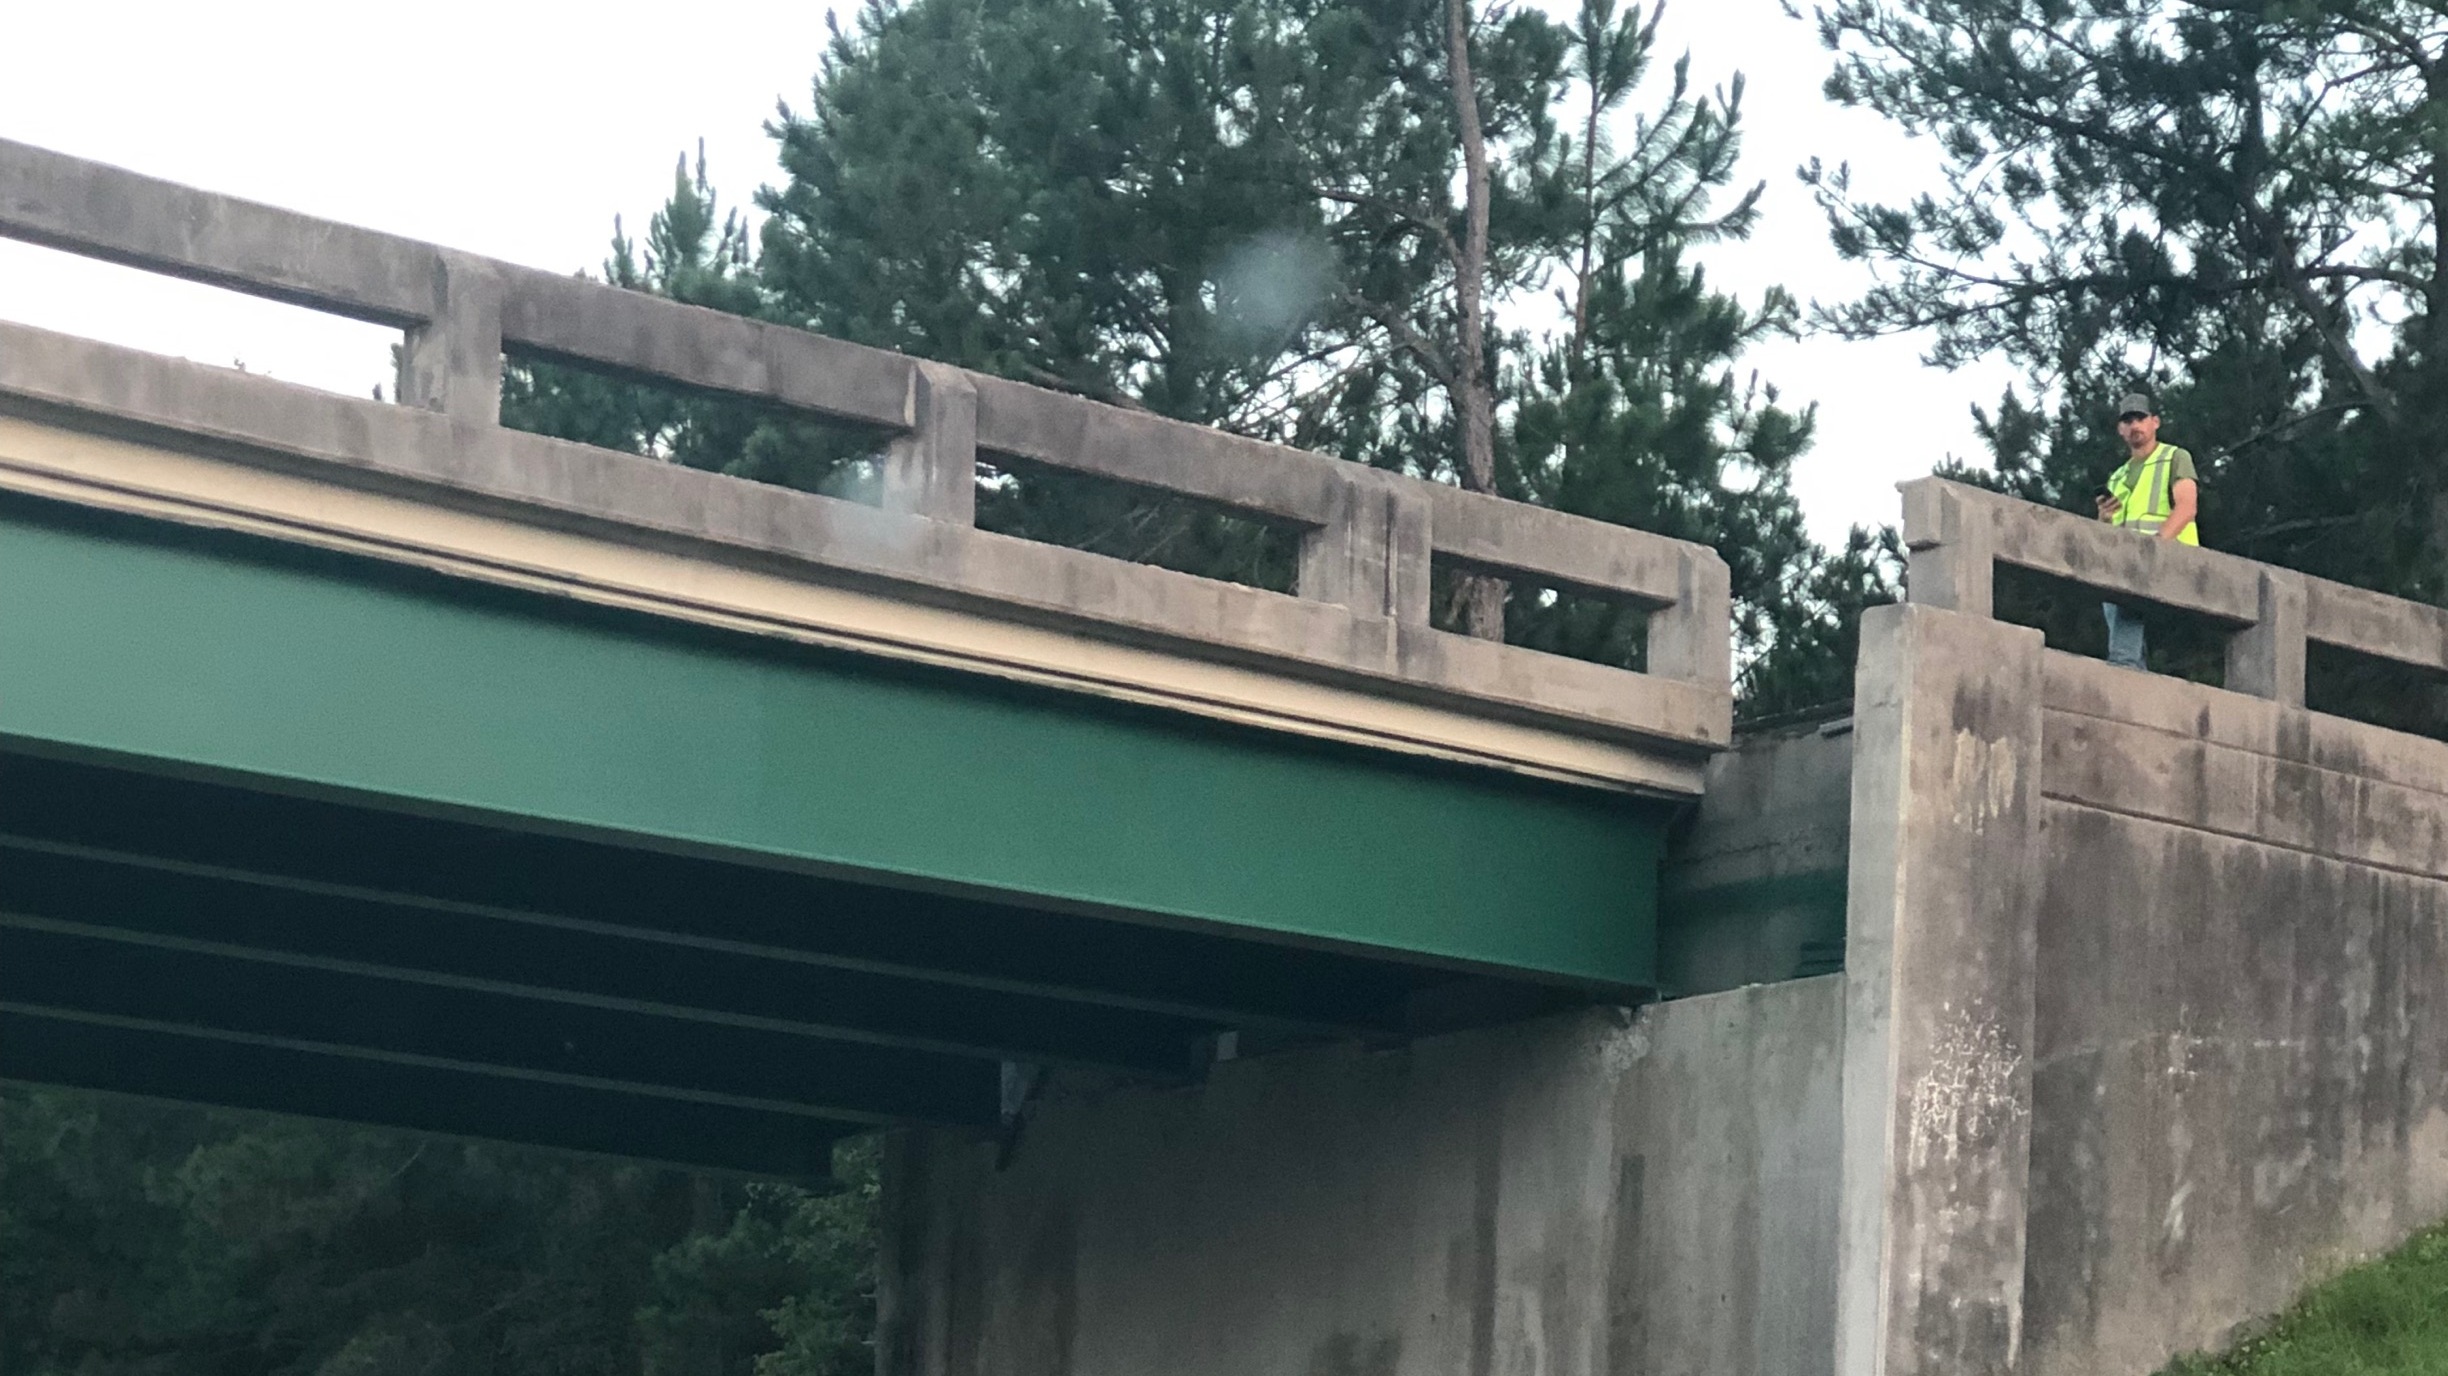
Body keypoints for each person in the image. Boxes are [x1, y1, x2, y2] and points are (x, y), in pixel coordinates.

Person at [2091, 392, 2200, 669]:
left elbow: (2187, 508)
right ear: (2120, 429)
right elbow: (2111, 532)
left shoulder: (2174, 457)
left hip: (2171, 555)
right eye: (2127, 420)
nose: (2135, 425)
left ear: (2155, 422)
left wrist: (2156, 544)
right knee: (2113, 592)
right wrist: (2104, 517)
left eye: (2140, 418)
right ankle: (2130, 669)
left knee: (2125, 594)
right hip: (2129, 563)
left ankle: (2124, 666)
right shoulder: (2117, 476)